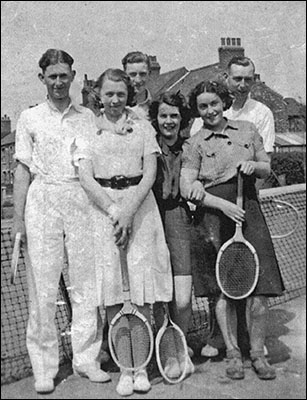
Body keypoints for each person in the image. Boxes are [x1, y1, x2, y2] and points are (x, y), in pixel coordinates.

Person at [11, 49, 110, 394]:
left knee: (86, 285)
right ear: (42, 79)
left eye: (63, 75)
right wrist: (19, 220)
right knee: (43, 288)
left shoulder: (87, 117)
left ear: (72, 75)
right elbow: (22, 171)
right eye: (51, 76)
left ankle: (86, 360)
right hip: (43, 202)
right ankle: (44, 367)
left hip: (81, 201)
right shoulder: (30, 118)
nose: (57, 82)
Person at [73, 68, 173, 396]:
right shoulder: (87, 128)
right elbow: (86, 176)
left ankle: (141, 366)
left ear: (128, 94)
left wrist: (128, 210)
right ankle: (125, 367)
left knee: (141, 290)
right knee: (114, 291)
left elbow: (150, 172)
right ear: (98, 96)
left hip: (140, 210)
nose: (115, 100)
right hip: (103, 212)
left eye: (120, 94)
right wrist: (114, 210)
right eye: (108, 94)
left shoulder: (143, 126)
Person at [180, 80, 284, 381]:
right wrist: (218, 203)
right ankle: (233, 354)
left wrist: (254, 165)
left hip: (248, 210)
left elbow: (267, 165)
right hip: (214, 217)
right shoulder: (194, 142)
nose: (210, 110)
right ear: (197, 110)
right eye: (203, 106)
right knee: (221, 291)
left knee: (260, 290)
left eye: (214, 103)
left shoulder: (249, 131)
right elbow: (187, 185)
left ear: (223, 102)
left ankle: (257, 354)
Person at [149, 91, 196, 378]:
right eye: (163, 115)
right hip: (151, 219)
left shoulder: (191, 147)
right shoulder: (148, 145)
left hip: (179, 218)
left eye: (174, 116)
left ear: (182, 119)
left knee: (182, 298)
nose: (169, 121)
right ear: (156, 119)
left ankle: (181, 343)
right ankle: (168, 350)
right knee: (158, 292)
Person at [122, 51, 152, 120]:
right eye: (132, 74)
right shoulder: (117, 105)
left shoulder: (156, 106)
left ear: (149, 74)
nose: (138, 80)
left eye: (142, 74)